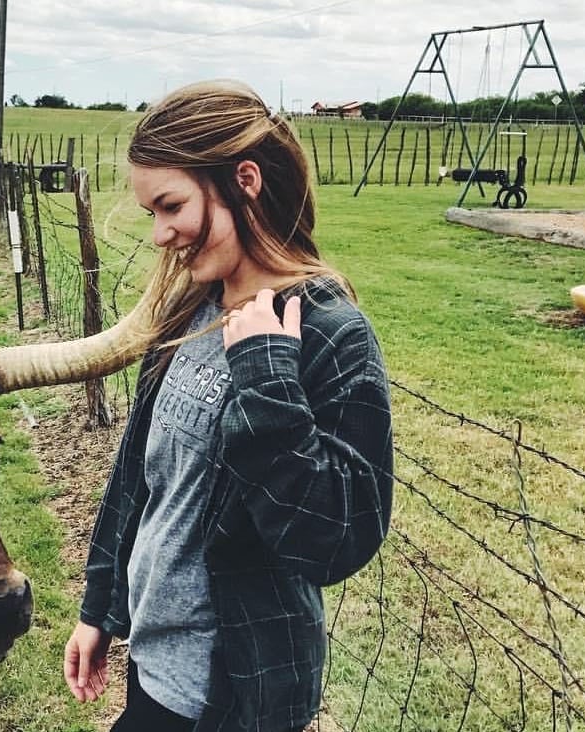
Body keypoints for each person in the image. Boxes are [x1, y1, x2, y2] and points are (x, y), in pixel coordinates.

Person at [62, 80, 394, 732]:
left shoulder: (331, 334)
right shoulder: (194, 307)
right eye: (150, 212)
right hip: (155, 670)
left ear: (244, 179)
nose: (160, 234)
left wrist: (265, 372)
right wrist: (100, 610)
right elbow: (140, 479)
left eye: (170, 206)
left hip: (238, 698)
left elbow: (336, 542)